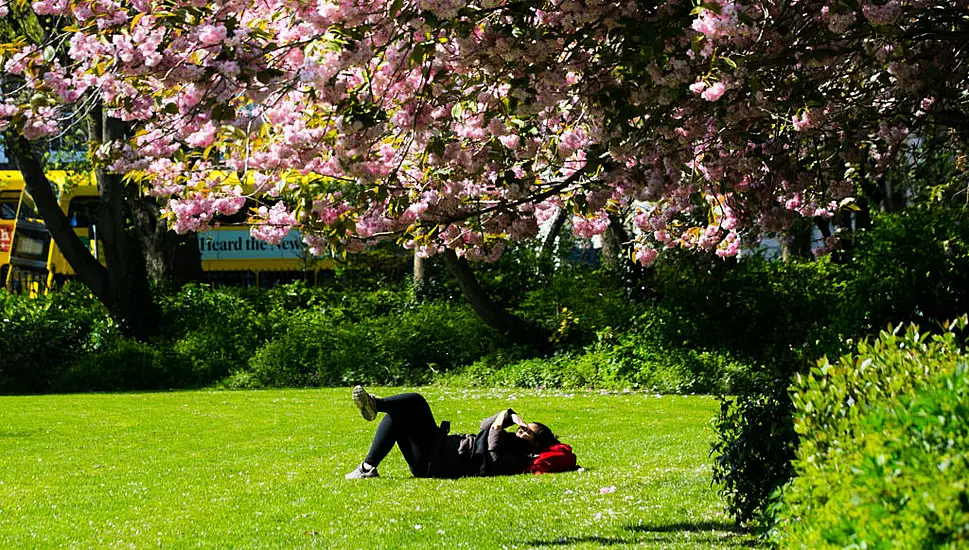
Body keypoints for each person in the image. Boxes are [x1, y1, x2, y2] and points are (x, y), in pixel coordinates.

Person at [345, 386, 561, 479]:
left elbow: (492, 463)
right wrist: (509, 416)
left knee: (416, 402)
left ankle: (375, 403)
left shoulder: (520, 458)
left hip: (437, 460)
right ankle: (366, 468)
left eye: (527, 431)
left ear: (535, 443)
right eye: (524, 426)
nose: (522, 430)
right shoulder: (512, 439)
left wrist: (498, 429)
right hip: (437, 449)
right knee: (397, 415)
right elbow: (483, 425)